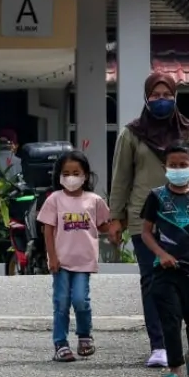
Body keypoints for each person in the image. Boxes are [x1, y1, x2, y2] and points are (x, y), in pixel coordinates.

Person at [108, 72, 189, 368]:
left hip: (185, 219)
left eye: (167, 95)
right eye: (156, 96)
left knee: (186, 282)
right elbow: (121, 177)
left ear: (175, 96)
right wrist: (115, 217)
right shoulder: (131, 133)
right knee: (153, 281)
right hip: (144, 219)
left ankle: (187, 344)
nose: (162, 101)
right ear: (147, 99)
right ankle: (158, 344)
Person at [139, 140, 189, 377]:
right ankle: (173, 367)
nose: (178, 169)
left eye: (183, 164)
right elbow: (146, 232)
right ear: (165, 167)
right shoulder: (156, 197)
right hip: (164, 271)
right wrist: (161, 254)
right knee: (170, 318)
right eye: (173, 165)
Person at [36, 150, 110, 362]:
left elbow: (103, 224)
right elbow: (48, 230)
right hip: (62, 262)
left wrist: (115, 229)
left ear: (85, 174)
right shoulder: (54, 200)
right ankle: (60, 343)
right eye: (66, 173)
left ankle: (84, 336)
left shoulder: (94, 200)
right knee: (61, 302)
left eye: (75, 172)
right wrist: (52, 257)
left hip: (84, 262)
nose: (71, 177)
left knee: (80, 300)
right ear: (59, 175)